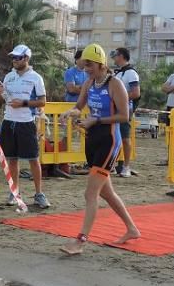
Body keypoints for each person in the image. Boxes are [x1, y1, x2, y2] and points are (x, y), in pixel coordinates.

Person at [58, 44, 140, 255]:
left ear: (102, 64)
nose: (86, 69)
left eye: (90, 65)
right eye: (84, 65)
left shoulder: (115, 85)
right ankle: (132, 229)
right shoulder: (88, 83)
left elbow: (124, 116)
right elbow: (79, 106)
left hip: (110, 141)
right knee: (107, 192)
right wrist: (71, 113)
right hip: (93, 138)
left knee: (90, 193)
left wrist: (97, 120)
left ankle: (80, 241)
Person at [0, 44, 50, 208]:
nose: (14, 60)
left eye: (18, 57)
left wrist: (24, 103)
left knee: (34, 160)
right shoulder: (8, 77)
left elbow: (42, 101)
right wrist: (0, 93)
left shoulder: (36, 77)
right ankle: (14, 192)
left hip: (26, 123)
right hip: (9, 121)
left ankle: (39, 194)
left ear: (26, 58)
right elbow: (5, 97)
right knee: (11, 159)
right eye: (13, 57)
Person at [111, 47, 140, 177]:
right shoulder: (117, 73)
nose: (114, 58)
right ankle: (112, 164)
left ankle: (126, 166)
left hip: (125, 109)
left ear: (121, 56)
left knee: (125, 137)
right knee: (113, 137)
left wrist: (120, 98)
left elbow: (136, 93)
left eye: (115, 55)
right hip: (114, 109)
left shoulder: (131, 73)